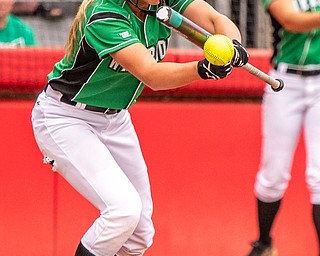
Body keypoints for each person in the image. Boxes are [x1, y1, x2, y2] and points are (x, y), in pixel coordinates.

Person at [31, 0, 248, 255]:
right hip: (67, 117)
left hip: (115, 118)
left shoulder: (166, 2)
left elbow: (214, 21)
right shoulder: (105, 14)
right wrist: (202, 69)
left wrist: (232, 44)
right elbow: (151, 74)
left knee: (139, 234)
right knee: (122, 212)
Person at [246, 0, 320, 255]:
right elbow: (291, 20)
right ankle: (264, 244)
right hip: (285, 83)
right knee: (273, 174)